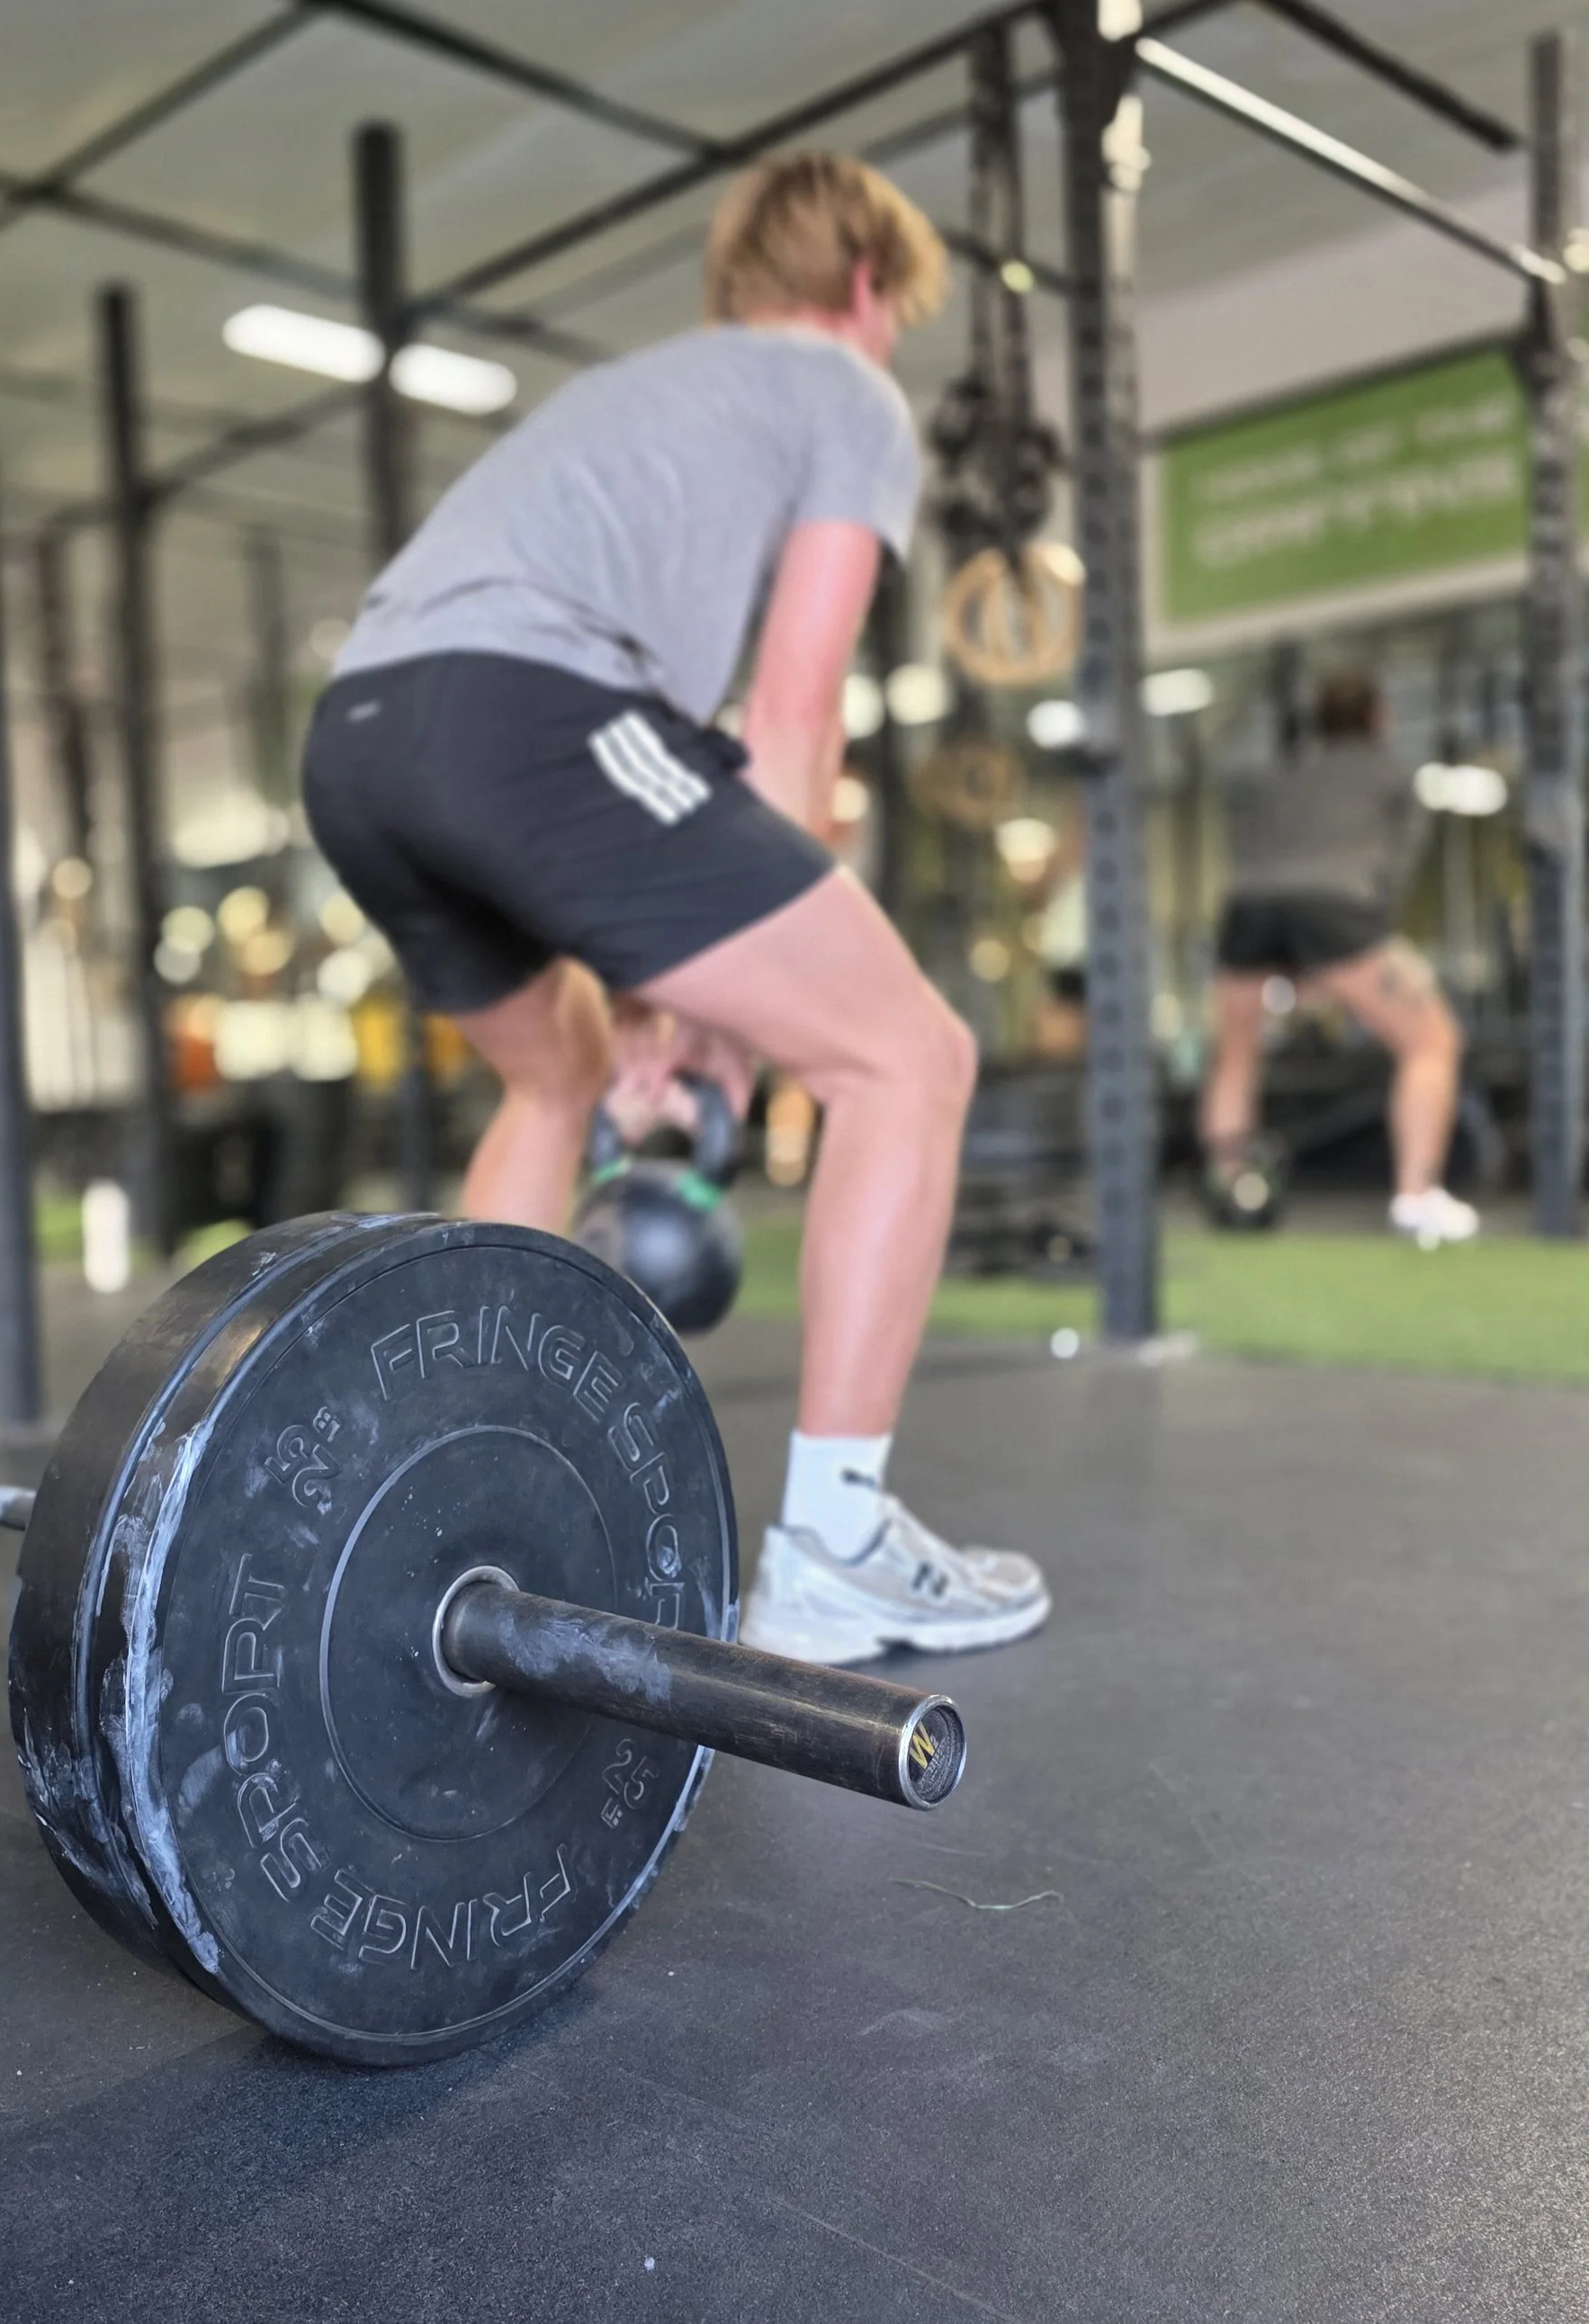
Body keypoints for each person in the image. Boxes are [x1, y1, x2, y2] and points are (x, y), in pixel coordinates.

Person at [303, 150, 1047, 1666]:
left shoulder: (638, 400)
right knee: (910, 1058)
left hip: (360, 736)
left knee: (558, 1072)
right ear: (864, 286)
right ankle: (835, 1551)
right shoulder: (845, 391)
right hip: (527, 712)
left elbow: (626, 815)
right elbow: (791, 713)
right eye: (894, 310)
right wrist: (732, 1018)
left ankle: (444, 1504)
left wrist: (674, 1006)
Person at [1200, 668, 1475, 1243]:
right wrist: (1353, 953)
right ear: (1379, 718)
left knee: (1236, 1051)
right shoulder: (1392, 776)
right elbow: (1394, 870)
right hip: (1337, 910)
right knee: (1432, 1041)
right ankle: (1417, 1198)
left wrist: (1302, 962)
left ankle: (1230, 1189)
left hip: (1248, 907)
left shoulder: (1282, 776)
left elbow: (1246, 846)